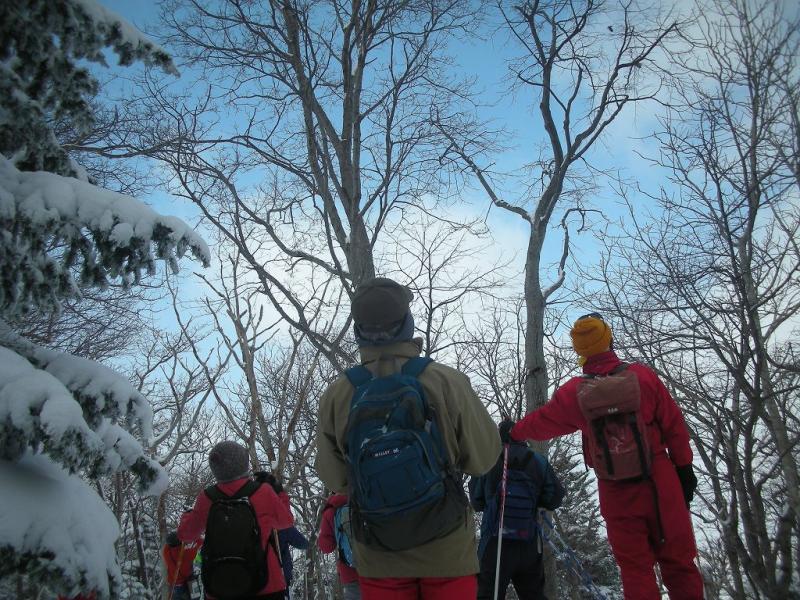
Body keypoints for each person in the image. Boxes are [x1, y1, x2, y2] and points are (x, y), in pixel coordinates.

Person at [315, 277, 501, 599]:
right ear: (406, 323)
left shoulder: (338, 394)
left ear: (359, 331)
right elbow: (483, 459)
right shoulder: (445, 381)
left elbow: (335, 478)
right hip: (447, 547)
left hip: (377, 550)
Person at [510, 313, 703, 599]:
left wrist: (513, 433)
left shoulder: (575, 393)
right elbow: (674, 425)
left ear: (580, 351)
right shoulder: (642, 376)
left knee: (635, 569)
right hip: (660, 481)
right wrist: (684, 469)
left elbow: (542, 423)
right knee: (680, 564)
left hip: (616, 491)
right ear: (609, 340)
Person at [179, 441, 294, 600]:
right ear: (243, 463)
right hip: (266, 584)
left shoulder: (206, 498)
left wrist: (187, 515)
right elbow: (286, 521)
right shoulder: (262, 492)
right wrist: (278, 490)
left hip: (219, 586)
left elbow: (186, 535)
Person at [469, 419, 565, 600]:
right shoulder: (538, 461)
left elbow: (476, 502)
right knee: (533, 595)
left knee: (487, 595)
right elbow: (555, 497)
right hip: (528, 543)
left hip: (494, 544)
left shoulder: (488, 461)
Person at [252, 470, 309, 598]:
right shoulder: (277, 520)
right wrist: (281, 495)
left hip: (250, 577)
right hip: (278, 578)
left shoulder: (248, 513)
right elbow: (302, 542)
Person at [318, 494, 360, 600]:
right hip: (378, 565)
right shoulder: (367, 495)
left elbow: (326, 547)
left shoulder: (331, 509)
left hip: (350, 571)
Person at [162, 531, 201, 600]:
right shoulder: (187, 553)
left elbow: (168, 546)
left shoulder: (166, 552)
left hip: (175, 586)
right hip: (190, 581)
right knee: (196, 598)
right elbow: (199, 542)